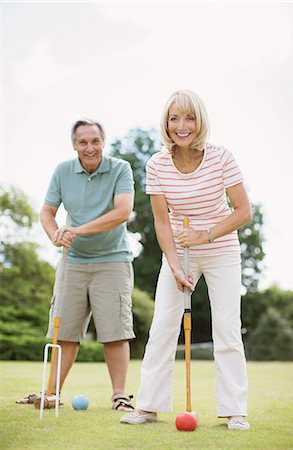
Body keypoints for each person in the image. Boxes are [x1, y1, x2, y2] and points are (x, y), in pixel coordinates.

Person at [120, 90, 252, 430]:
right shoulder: (156, 164)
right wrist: (176, 265)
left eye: (189, 118)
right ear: (166, 123)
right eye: (174, 118)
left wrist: (205, 235)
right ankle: (148, 405)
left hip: (221, 249)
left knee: (227, 328)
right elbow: (162, 222)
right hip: (180, 251)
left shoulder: (221, 158)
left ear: (200, 121)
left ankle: (234, 410)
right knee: (164, 324)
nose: (182, 126)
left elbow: (243, 212)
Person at [17, 119, 135, 412]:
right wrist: (54, 233)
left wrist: (77, 230)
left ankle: (119, 395)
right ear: (74, 145)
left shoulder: (120, 169)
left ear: (103, 142)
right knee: (65, 331)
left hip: (112, 259)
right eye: (83, 142)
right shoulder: (63, 171)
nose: (89, 147)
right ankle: (52, 393)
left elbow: (123, 212)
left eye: (95, 141)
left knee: (115, 331)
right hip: (73, 261)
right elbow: (46, 211)